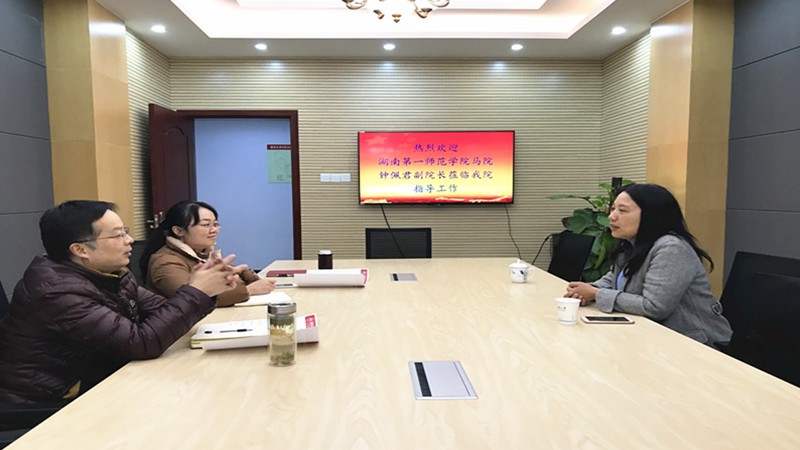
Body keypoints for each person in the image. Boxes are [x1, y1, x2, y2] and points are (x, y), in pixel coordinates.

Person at [0, 201, 245, 404]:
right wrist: (196, 291)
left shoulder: (112, 275)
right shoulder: (57, 292)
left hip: (101, 376)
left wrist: (205, 290)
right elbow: (142, 343)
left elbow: (162, 311)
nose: (130, 240)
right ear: (80, 250)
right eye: (118, 235)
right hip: (51, 399)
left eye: (125, 231)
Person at [564, 183, 732, 346]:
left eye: (622, 210)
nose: (612, 216)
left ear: (651, 215)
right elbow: (613, 279)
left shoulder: (671, 248)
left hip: (694, 343)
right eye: (613, 209)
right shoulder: (635, 244)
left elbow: (654, 307)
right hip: (651, 337)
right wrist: (586, 291)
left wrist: (596, 294)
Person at [140, 201, 274, 307]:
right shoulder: (165, 262)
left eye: (215, 224)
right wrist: (249, 290)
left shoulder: (201, 253)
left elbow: (232, 273)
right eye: (206, 225)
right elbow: (194, 298)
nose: (214, 230)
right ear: (178, 231)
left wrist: (245, 274)